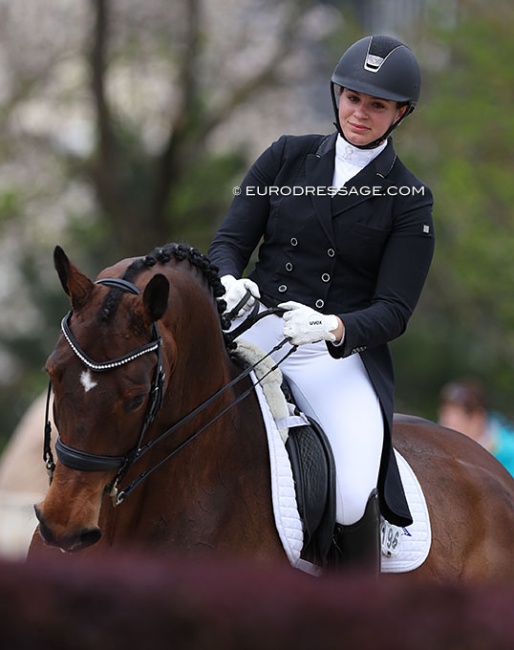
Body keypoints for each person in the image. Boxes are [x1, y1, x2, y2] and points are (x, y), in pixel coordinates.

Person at [208, 35, 435, 574]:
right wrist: (226, 280)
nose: (360, 113)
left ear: (400, 113)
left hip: (335, 357)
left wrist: (334, 326)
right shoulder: (286, 156)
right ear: (336, 93)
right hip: (255, 331)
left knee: (355, 492)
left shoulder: (410, 198)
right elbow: (230, 242)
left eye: (377, 105)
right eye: (353, 97)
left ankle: (349, 610)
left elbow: (395, 310)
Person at [438, 379, 514, 476]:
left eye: (453, 425)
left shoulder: (510, 453)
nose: (444, 429)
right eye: (443, 420)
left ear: (477, 419)